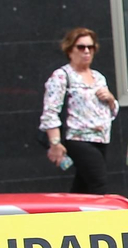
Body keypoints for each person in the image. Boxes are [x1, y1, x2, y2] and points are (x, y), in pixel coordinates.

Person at [41, 27, 119, 194]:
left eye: (90, 47)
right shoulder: (62, 76)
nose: (86, 51)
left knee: (82, 187)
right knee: (98, 184)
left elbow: (111, 111)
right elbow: (50, 111)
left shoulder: (98, 77)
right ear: (70, 50)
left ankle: (73, 216)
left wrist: (111, 99)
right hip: (78, 138)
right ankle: (108, 219)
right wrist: (55, 143)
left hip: (102, 138)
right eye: (81, 47)